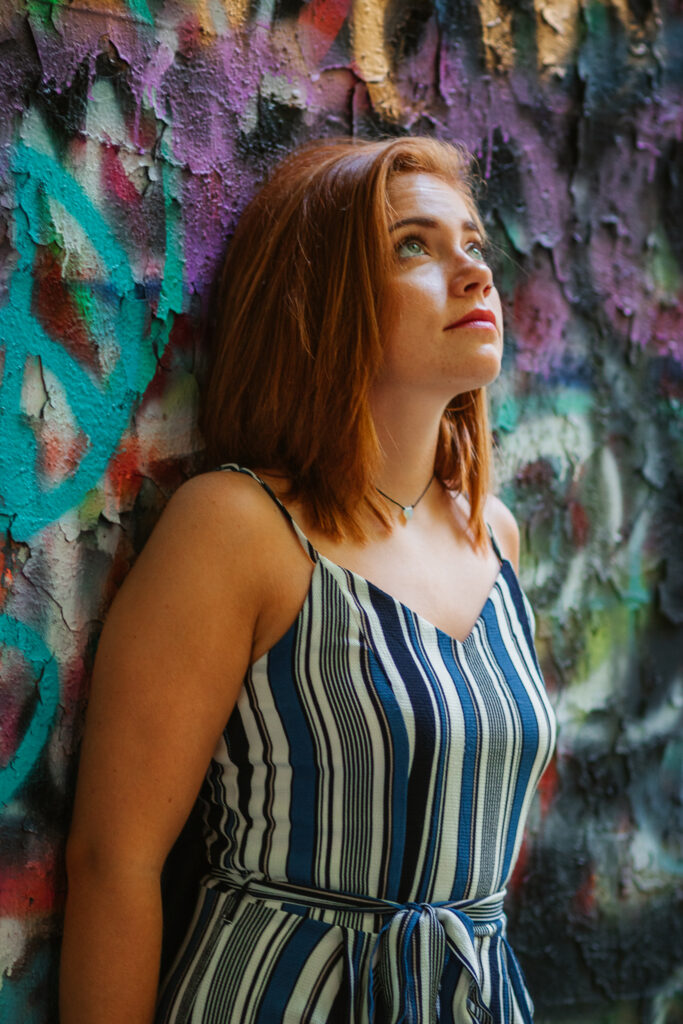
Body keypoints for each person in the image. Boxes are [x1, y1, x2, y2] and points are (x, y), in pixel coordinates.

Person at [60, 136, 556, 1024]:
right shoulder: (239, 527)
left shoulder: (496, 537)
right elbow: (114, 861)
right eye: (415, 245)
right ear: (322, 299)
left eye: (473, 244)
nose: (473, 273)